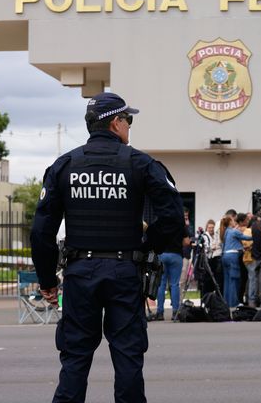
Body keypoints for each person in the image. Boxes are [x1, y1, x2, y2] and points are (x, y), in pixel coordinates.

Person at [30, 92, 185, 403]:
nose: (129, 126)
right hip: (125, 272)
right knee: (127, 355)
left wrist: (47, 280)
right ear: (116, 122)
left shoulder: (65, 165)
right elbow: (173, 219)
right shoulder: (141, 164)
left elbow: (41, 231)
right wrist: (144, 246)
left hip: (79, 272)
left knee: (75, 357)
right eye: (128, 120)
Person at [219, 214, 252, 308]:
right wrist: (256, 235)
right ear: (230, 222)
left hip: (225, 256)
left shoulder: (225, 232)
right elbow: (247, 238)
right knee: (234, 280)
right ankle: (234, 302)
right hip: (233, 257)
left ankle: (227, 302)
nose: (235, 222)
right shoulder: (234, 232)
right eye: (233, 220)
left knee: (227, 280)